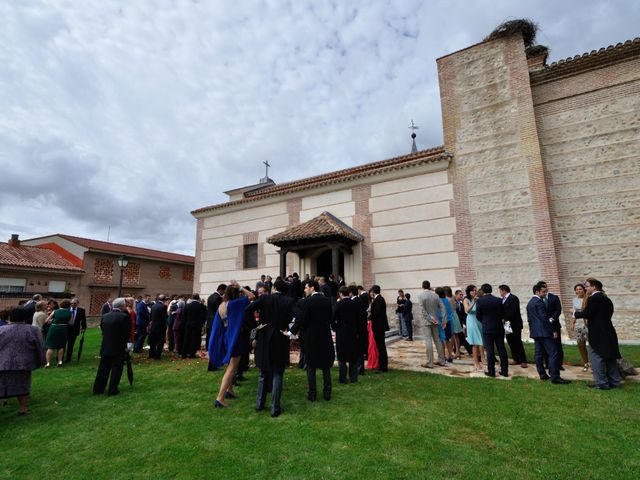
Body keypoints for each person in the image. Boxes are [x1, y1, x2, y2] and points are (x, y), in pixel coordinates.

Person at [245, 278, 294, 417]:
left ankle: (259, 404)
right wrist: (289, 329)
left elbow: (247, 310)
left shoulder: (265, 299)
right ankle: (275, 407)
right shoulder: (288, 301)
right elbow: (297, 316)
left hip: (265, 338)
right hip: (280, 337)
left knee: (263, 373)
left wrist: (256, 327)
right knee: (278, 373)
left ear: (274, 288)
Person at [210, 283, 255, 408]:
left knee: (230, 365)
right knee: (232, 367)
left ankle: (230, 391)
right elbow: (252, 296)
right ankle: (220, 398)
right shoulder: (236, 304)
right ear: (237, 294)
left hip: (225, 337)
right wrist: (240, 287)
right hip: (234, 338)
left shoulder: (222, 305)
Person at [574, 278, 622, 390]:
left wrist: (575, 314)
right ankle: (615, 382)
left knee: (596, 357)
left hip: (597, 333)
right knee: (610, 357)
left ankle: (602, 383)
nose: (586, 288)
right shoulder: (607, 299)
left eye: (587, 286)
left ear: (594, 287)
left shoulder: (593, 299)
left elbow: (588, 313)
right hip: (609, 331)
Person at [291, 280, 335, 401]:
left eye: (306, 288)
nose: (304, 290)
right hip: (325, 336)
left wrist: (292, 331)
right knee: (326, 367)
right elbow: (330, 318)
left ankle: (312, 393)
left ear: (312, 288)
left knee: (311, 366)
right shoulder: (327, 301)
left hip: (311, 337)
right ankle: (327, 392)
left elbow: (301, 319)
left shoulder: (307, 302)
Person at [0, 308, 46, 414]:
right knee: (23, 387)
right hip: (23, 364)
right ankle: (23, 408)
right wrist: (42, 361)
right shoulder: (33, 330)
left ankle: (11, 404)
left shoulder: (1, 330)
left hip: (3, 363)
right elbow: (40, 346)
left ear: (9, 317)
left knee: (2, 385)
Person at [526, 284, 570, 384]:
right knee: (553, 353)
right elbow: (544, 318)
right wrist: (552, 331)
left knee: (538, 354)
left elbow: (530, 320)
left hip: (536, 332)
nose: (545, 293)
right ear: (537, 292)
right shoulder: (539, 302)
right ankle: (555, 377)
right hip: (544, 332)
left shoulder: (530, 303)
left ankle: (542, 374)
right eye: (543, 292)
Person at [93, 298, 131, 396]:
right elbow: (126, 334)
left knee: (103, 368)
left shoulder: (105, 316)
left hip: (105, 345)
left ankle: (98, 389)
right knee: (116, 368)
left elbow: (102, 329)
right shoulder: (124, 317)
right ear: (122, 306)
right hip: (118, 347)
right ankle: (112, 389)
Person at [475, 284, 508, 378]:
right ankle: (505, 371)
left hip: (487, 327)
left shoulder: (480, 301)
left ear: (483, 291)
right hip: (498, 327)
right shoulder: (498, 300)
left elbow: (478, 315)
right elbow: (502, 313)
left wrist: (484, 321)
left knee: (490, 350)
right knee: (501, 348)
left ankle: (491, 371)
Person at [332, 286, 361, 384]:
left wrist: (335, 327)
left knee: (342, 356)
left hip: (341, 332)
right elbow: (359, 319)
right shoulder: (355, 304)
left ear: (340, 294)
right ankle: (353, 378)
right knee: (353, 356)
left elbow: (332, 318)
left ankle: (343, 378)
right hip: (353, 332)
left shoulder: (338, 304)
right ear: (349, 293)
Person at [418, 280, 446, 368]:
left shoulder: (420, 295)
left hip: (426, 321)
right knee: (437, 340)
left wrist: (430, 318)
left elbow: (422, 310)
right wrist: (444, 320)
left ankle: (430, 363)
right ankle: (442, 360)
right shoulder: (436, 295)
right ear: (429, 286)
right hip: (435, 320)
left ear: (422, 286)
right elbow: (443, 308)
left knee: (428, 341)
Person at [499, 285, 528, 368]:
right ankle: (516, 358)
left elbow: (513, 311)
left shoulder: (513, 298)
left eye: (500, 291)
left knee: (517, 342)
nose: (500, 293)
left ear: (504, 290)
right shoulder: (502, 300)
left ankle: (523, 360)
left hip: (515, 324)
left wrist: (505, 318)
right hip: (507, 326)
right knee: (510, 342)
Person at [538, 281, 564, 370]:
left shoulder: (554, 297)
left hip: (554, 324)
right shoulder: (538, 299)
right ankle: (548, 363)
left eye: (545, 286)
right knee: (545, 346)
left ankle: (559, 364)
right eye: (542, 288)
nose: (545, 289)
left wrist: (552, 318)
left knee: (557, 345)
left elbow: (558, 310)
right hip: (544, 326)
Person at [44, 298, 71, 368]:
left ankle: (48, 363)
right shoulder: (69, 312)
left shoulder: (55, 311)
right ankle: (60, 362)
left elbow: (47, 320)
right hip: (63, 329)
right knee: (61, 346)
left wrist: (52, 321)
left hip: (54, 328)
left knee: (50, 346)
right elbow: (71, 323)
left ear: (61, 304)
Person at [464, 285, 485, 371]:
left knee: (481, 341)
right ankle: (476, 362)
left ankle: (483, 358)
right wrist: (474, 302)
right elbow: (467, 310)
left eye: (475, 290)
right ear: (469, 292)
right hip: (471, 321)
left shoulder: (478, 299)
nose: (474, 292)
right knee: (475, 342)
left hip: (479, 321)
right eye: (472, 291)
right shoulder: (466, 300)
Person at [369, 285, 389, 373]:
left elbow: (377, 312)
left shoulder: (379, 299)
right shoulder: (379, 299)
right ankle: (382, 366)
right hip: (379, 326)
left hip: (379, 326)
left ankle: (383, 367)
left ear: (373, 291)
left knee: (381, 347)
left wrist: (370, 317)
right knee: (380, 347)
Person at [571, 283, 590, 371]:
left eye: (580, 289)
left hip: (588, 323)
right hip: (579, 324)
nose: (578, 291)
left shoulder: (588, 299)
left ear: (584, 290)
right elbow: (574, 313)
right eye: (577, 289)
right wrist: (573, 323)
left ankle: (596, 363)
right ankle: (586, 363)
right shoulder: (574, 300)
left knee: (593, 345)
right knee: (580, 344)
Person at [182, 294, 207, 359]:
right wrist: (202, 323)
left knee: (186, 339)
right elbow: (203, 317)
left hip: (188, 324)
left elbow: (183, 316)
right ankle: (192, 353)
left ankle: (184, 353)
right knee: (194, 339)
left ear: (192, 298)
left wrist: (185, 323)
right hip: (197, 325)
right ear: (198, 298)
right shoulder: (202, 306)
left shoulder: (187, 306)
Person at [206, 284, 227, 361]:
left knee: (211, 338)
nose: (224, 293)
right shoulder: (218, 298)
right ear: (221, 289)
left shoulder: (210, 296)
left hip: (210, 320)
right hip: (216, 320)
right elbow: (219, 311)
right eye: (224, 291)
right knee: (216, 339)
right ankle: (215, 357)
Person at [65, 297, 87, 363]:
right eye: (71, 303)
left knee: (70, 345)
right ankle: (60, 358)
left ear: (77, 303)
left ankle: (68, 359)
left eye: (74, 303)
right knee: (63, 344)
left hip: (74, 330)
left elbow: (83, 320)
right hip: (66, 329)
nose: (73, 305)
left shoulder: (81, 311)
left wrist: (83, 328)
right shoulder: (67, 310)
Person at [455, 289, 472, 356]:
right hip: (456, 323)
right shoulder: (454, 303)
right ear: (456, 295)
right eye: (460, 294)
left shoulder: (461, 304)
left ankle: (456, 350)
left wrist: (465, 323)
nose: (461, 296)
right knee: (461, 337)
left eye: (462, 294)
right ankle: (470, 351)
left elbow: (463, 315)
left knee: (459, 337)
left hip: (460, 323)